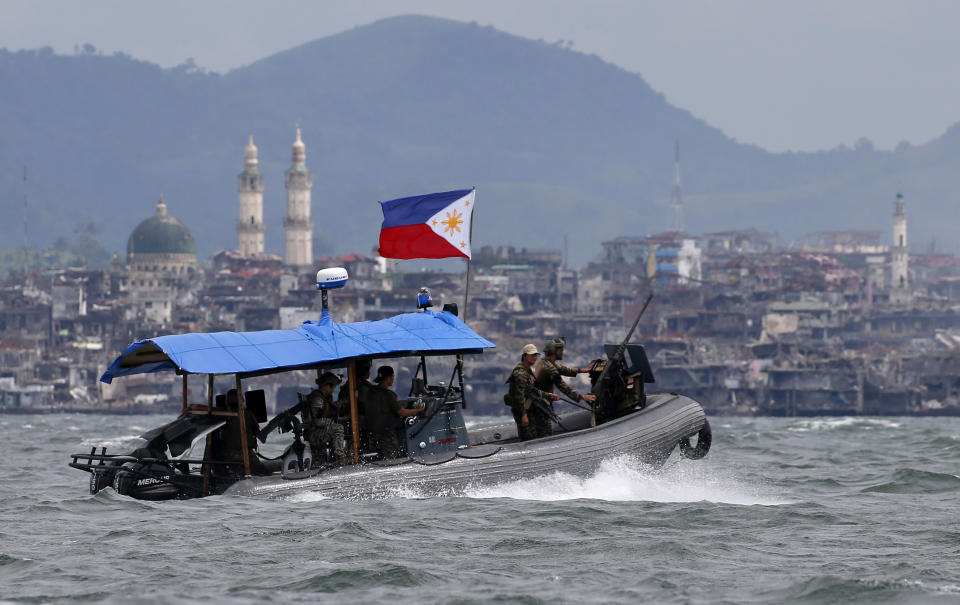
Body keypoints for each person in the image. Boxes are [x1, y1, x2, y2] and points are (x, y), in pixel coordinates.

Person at [534, 337, 598, 436]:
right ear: (554, 351)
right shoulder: (550, 368)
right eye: (561, 350)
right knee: (545, 435)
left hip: (538, 403)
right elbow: (564, 388)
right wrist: (583, 397)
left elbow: (562, 369)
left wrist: (582, 370)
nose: (562, 352)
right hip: (541, 406)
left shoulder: (544, 362)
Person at [366, 365, 424, 459]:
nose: (393, 379)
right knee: (392, 460)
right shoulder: (388, 395)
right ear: (388, 378)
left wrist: (404, 402)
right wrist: (417, 410)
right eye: (392, 377)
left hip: (373, 434)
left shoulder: (372, 392)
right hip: (387, 436)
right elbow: (402, 412)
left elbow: (384, 405)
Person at [504, 344, 559, 441]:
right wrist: (523, 415)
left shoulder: (528, 371)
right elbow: (519, 397)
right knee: (529, 439)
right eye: (532, 355)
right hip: (525, 413)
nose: (535, 357)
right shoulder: (520, 373)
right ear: (524, 356)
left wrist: (549, 395)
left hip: (532, 412)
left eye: (536, 355)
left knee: (540, 436)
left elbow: (532, 391)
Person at [302, 371, 348, 466]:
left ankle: (321, 463)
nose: (333, 389)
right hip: (314, 433)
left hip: (316, 432)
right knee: (338, 428)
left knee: (319, 460)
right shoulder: (317, 398)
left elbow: (330, 408)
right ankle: (340, 456)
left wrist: (343, 401)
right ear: (327, 386)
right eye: (333, 386)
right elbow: (317, 420)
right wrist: (331, 423)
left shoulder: (322, 397)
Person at [337, 358, 375, 450]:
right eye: (368, 370)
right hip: (359, 423)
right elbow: (365, 406)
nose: (369, 373)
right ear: (363, 372)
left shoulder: (351, 384)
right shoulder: (358, 386)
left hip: (354, 422)